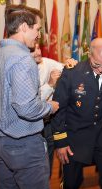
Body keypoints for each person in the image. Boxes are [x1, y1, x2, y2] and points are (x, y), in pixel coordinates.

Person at [0, 5, 59, 189]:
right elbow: (27, 108)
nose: (39, 35)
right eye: (37, 29)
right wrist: (50, 107)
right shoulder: (23, 59)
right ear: (24, 27)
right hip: (24, 146)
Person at [52, 38, 102, 189]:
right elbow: (59, 108)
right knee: (71, 183)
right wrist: (61, 142)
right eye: (96, 65)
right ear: (89, 55)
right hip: (74, 134)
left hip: (100, 133)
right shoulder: (72, 73)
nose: (100, 70)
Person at [30, 42, 77, 175]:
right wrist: (50, 84)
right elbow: (32, 103)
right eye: (34, 50)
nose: (39, 52)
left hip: (48, 124)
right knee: (33, 172)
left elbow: (65, 67)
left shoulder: (45, 62)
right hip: (32, 127)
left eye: (38, 47)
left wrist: (71, 63)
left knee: (47, 168)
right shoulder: (22, 71)